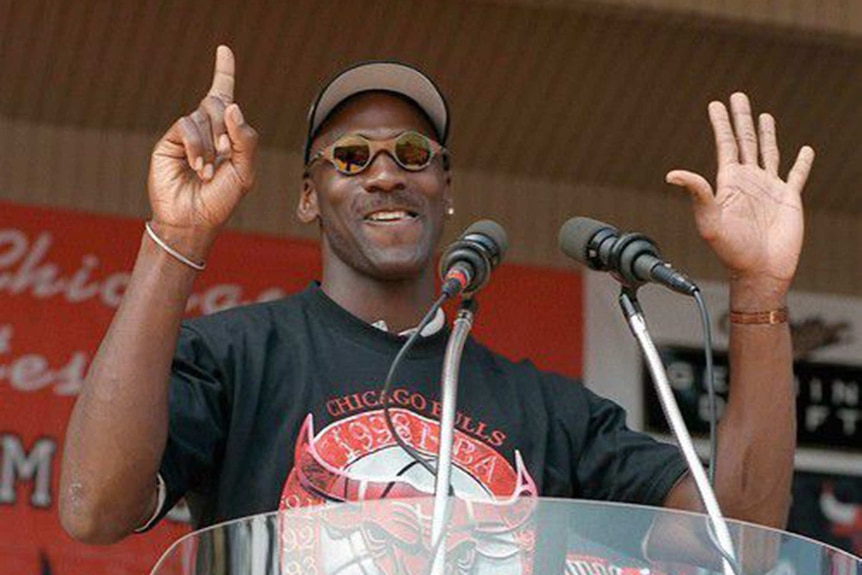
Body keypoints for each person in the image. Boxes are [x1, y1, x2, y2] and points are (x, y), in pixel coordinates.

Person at [59, 45, 814, 544]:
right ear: (308, 197)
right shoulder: (238, 356)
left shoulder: (544, 409)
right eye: (350, 158)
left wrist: (759, 288)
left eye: (412, 154)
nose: (385, 173)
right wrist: (178, 234)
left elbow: (737, 538)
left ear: (445, 191)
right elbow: (94, 507)